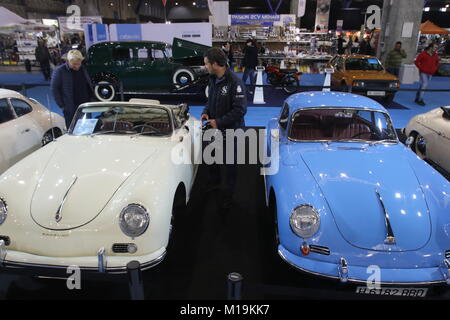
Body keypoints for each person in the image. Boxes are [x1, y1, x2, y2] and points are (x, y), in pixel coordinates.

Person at [201, 47, 247, 211]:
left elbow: (240, 110)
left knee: (230, 165)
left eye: (206, 64)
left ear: (214, 64)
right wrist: (206, 112)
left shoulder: (236, 82)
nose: (205, 66)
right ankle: (214, 183)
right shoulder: (213, 79)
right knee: (212, 157)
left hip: (232, 132)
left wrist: (218, 122)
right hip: (215, 129)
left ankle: (228, 196)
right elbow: (210, 100)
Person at [51, 50, 94, 128]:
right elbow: (54, 89)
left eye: (78, 63)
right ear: (68, 61)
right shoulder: (60, 71)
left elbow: (88, 84)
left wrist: (91, 98)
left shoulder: (83, 69)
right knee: (72, 129)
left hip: (85, 105)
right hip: (70, 108)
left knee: (87, 128)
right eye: (74, 64)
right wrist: (62, 105)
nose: (77, 66)